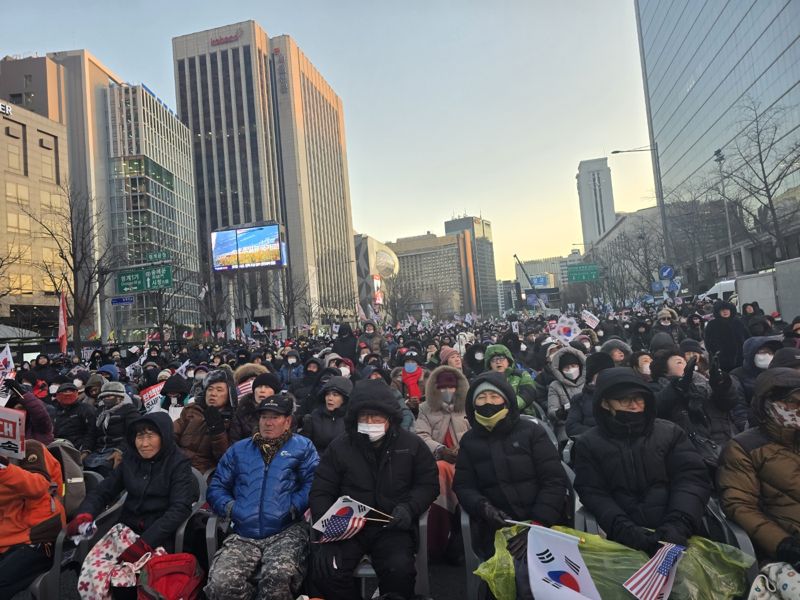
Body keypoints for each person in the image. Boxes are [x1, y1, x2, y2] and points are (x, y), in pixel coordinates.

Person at [309, 379, 439, 600]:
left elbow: (428, 484)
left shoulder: (412, 445)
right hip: (348, 526)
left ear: (390, 417)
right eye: (364, 416)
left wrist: (409, 509)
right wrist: (327, 533)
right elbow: (321, 490)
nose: (370, 422)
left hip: (392, 526)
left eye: (376, 416)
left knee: (399, 572)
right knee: (327, 572)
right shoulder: (340, 447)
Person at [573, 368, 712, 554]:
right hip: (621, 538)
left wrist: (678, 523)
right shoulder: (588, 444)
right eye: (624, 400)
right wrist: (623, 529)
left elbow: (691, 479)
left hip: (679, 531)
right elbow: (593, 492)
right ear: (605, 404)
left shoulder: (670, 433)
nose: (634, 405)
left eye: (639, 398)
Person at [205, 393, 319, 600]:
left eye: (275, 417)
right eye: (264, 417)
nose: (268, 423)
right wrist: (231, 508)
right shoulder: (239, 450)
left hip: (286, 530)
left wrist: (293, 506)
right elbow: (217, 486)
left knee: (278, 577)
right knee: (221, 584)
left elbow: (313, 483)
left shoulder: (303, 447)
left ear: (288, 421)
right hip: (243, 532)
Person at [67, 412, 196, 555]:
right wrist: (85, 514)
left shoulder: (178, 464)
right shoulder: (130, 460)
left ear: (164, 436)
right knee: (96, 567)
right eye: (140, 436)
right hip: (125, 530)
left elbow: (179, 508)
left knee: (135, 574)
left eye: (150, 436)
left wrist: (145, 543)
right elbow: (103, 491)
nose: (144, 443)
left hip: (160, 536)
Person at [717, 368, 800, 560]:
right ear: (769, 404)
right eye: (792, 402)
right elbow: (739, 504)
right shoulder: (744, 447)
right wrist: (781, 543)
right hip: (789, 540)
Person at [417, 365, 470, 563]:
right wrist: (440, 449)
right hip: (437, 461)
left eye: (451, 388)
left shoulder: (468, 406)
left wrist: (462, 450)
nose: (447, 392)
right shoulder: (425, 408)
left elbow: (476, 433)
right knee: (439, 472)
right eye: (442, 388)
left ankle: (460, 537)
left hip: (467, 461)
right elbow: (421, 435)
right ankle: (439, 537)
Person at [0, 439, 66, 597]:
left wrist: (4, 467)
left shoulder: (31, 447)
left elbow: (39, 486)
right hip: (8, 534)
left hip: (38, 536)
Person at [174, 368, 234, 472]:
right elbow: (172, 435)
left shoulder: (232, 419)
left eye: (219, 390)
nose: (213, 393)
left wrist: (217, 431)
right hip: (179, 464)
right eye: (210, 389)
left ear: (229, 394)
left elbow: (225, 459)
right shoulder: (192, 410)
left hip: (206, 473)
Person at [83, 381, 140, 477]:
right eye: (104, 397)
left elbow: (133, 433)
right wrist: (85, 450)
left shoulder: (129, 410)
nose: (106, 399)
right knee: (80, 467)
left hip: (118, 449)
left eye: (109, 396)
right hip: (98, 450)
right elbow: (91, 434)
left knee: (105, 469)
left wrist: (119, 451)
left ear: (120, 397)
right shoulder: (100, 411)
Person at [565, 352, 615, 439]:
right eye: (600, 373)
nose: (606, 376)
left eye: (609, 372)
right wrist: (600, 434)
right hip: (594, 444)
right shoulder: (579, 399)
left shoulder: (622, 394)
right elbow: (572, 427)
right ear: (592, 377)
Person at [483, 344, 540, 416]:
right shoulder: (486, 380)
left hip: (523, 415)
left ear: (508, 360)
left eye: (501, 358)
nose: (498, 362)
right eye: (493, 360)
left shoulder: (521, 375)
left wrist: (508, 407)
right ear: (489, 364)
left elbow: (528, 393)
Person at [301, 375, 353, 454]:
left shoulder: (351, 418)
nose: (330, 398)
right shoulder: (314, 416)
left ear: (344, 399)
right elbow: (304, 446)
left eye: (335, 395)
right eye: (328, 394)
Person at [229, 370, 281, 443]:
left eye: (267, 387)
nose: (262, 390)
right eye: (259, 387)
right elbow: (235, 442)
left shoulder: (285, 413)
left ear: (275, 392)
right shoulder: (241, 412)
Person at [546, 346, 586, 435]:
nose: (571, 370)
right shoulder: (555, 386)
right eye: (566, 368)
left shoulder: (589, 380)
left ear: (580, 366)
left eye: (573, 366)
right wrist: (561, 412)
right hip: (567, 425)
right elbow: (552, 411)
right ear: (560, 370)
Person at [52, 381, 96, 458]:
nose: (68, 393)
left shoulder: (86, 409)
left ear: (76, 393)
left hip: (78, 449)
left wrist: (86, 449)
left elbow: (91, 432)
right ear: (58, 395)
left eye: (71, 391)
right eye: (65, 391)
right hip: (57, 446)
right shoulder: (53, 411)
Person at [3, 379, 54, 445]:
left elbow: (39, 412)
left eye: (22, 408)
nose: (18, 411)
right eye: (14, 408)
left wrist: (22, 393)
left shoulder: (41, 427)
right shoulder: (7, 428)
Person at [704, 300, 749, 371]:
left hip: (741, 358)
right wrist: (717, 353)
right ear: (718, 312)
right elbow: (708, 342)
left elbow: (747, 337)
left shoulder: (738, 322)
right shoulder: (712, 324)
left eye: (727, 309)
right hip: (722, 361)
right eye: (722, 310)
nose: (725, 312)